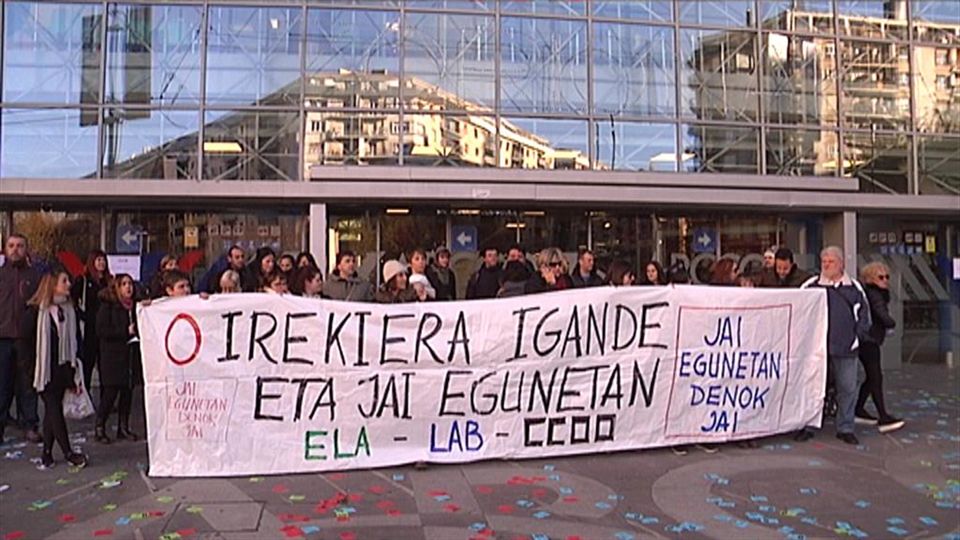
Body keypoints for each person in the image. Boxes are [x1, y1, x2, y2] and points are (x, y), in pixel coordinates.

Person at [797, 246, 870, 445]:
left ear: (841, 264)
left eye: (831, 262)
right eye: (824, 261)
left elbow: (864, 316)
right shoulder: (811, 286)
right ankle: (809, 425)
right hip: (816, 350)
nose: (826, 265)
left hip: (846, 348)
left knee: (847, 388)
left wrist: (856, 337)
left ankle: (845, 428)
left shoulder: (854, 288)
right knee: (813, 387)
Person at [18, 270, 88, 469]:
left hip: (61, 370)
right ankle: (68, 452)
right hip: (42, 371)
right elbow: (24, 345)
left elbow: (72, 341)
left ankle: (47, 452)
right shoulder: (34, 312)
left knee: (52, 410)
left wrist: (73, 372)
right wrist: (31, 371)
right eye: (64, 281)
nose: (68, 285)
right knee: (54, 408)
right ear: (52, 284)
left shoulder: (67, 309)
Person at [0, 233, 42, 444]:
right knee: (2, 385)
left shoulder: (34, 276)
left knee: (27, 385)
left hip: (26, 339)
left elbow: (39, 306)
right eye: (11, 246)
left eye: (20, 246)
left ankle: (30, 425)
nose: (15, 249)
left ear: (26, 249)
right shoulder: (0, 275)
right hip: (2, 338)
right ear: (5, 249)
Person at [856, 262, 904, 434]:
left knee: (872, 377)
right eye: (881, 277)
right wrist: (891, 323)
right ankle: (882, 416)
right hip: (869, 339)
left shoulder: (871, 293)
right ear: (870, 279)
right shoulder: (875, 295)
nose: (885, 280)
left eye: (887, 277)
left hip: (868, 338)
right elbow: (881, 314)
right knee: (875, 376)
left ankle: (858, 409)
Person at [94, 274, 140, 444]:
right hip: (113, 356)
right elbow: (101, 330)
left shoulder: (135, 306)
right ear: (117, 288)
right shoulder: (109, 306)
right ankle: (100, 426)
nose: (128, 288)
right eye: (124, 284)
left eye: (130, 284)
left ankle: (123, 427)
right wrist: (124, 331)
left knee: (127, 393)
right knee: (110, 394)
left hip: (130, 356)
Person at [70, 249, 111, 392]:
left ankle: (106, 399)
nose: (101, 263)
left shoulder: (110, 281)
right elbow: (72, 298)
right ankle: (85, 395)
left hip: (106, 328)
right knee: (87, 364)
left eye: (103, 260)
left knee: (105, 367)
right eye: (98, 260)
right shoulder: (83, 280)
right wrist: (81, 315)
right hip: (89, 328)